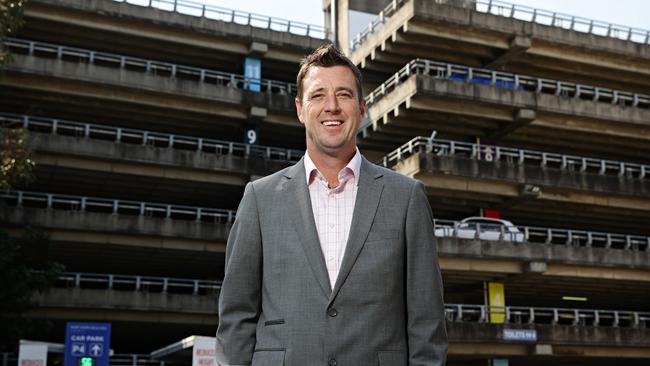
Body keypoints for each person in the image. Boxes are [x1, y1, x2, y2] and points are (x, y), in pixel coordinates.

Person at [216, 43, 447, 366]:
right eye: (318, 95)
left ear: (362, 107)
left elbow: (428, 324)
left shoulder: (407, 198)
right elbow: (236, 318)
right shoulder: (259, 199)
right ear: (300, 109)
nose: (332, 106)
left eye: (344, 94)